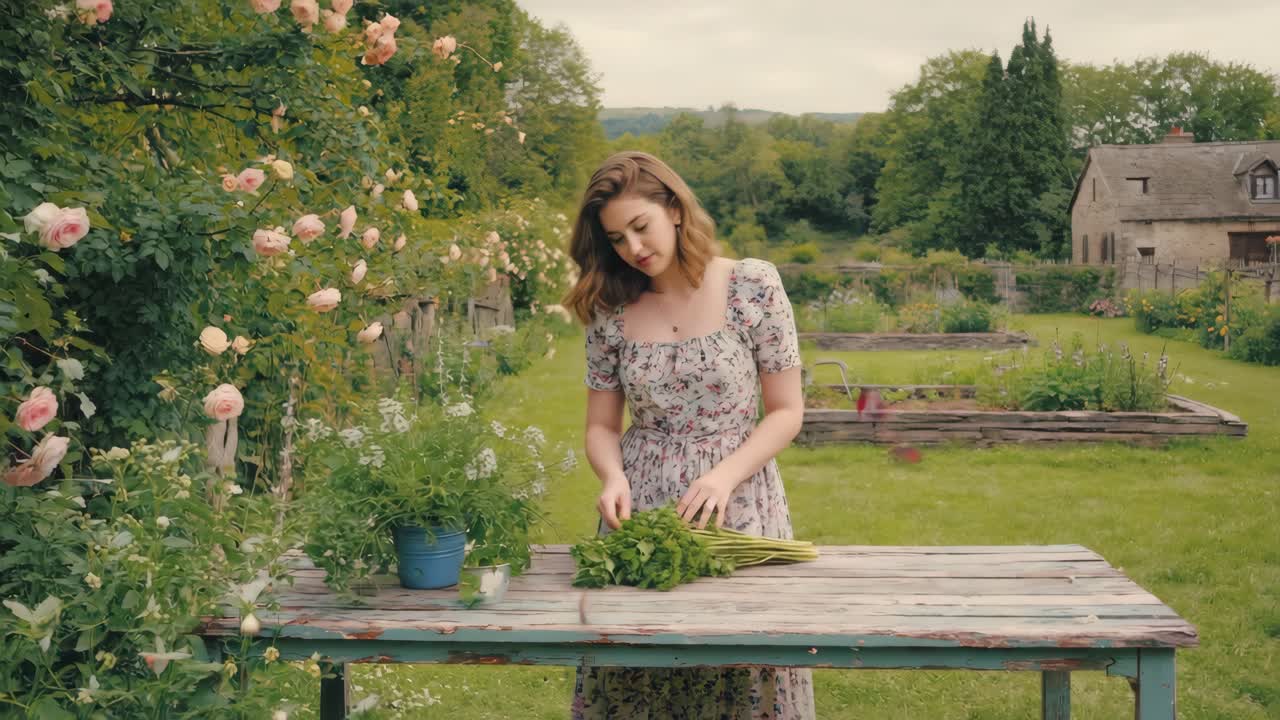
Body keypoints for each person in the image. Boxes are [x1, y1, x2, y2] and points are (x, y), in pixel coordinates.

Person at [561, 151, 815, 719]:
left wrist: (723, 477)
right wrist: (612, 476)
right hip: (643, 516)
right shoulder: (612, 308)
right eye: (616, 238)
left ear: (673, 209)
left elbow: (786, 411)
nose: (632, 248)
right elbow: (602, 425)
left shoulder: (753, 285)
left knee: (743, 666)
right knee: (638, 669)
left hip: (737, 500)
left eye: (640, 226)